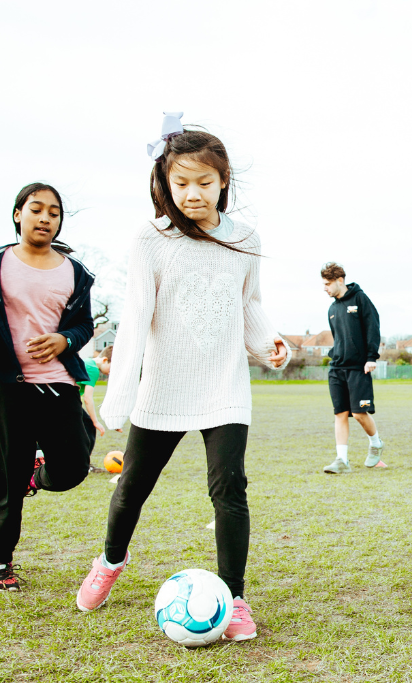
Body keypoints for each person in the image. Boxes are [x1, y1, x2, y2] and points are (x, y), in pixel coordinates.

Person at [75, 113, 289, 643]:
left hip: (225, 386)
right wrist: (119, 398)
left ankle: (235, 599)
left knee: (230, 490)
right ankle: (109, 561)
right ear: (166, 184)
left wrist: (269, 345)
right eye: (181, 183)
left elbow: (249, 305)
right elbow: (134, 322)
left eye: (205, 182)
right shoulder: (151, 239)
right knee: (132, 488)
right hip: (165, 388)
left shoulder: (246, 239)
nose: (193, 193)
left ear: (223, 182)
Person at [0, 182, 96, 592]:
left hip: (58, 384)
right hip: (8, 387)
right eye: (36, 209)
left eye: (54, 212)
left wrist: (66, 340)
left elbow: (83, 325)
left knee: (74, 467)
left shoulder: (76, 273)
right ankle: (0, 563)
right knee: (7, 479)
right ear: (18, 214)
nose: (45, 218)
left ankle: (37, 476)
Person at [319, 262, 386, 474]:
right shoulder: (332, 309)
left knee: (359, 414)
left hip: (359, 367)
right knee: (340, 413)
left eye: (328, 283)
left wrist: (371, 357)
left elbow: (373, 327)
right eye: (323, 284)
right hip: (337, 367)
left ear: (340, 280)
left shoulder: (360, 299)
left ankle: (376, 443)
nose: (325, 288)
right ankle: (342, 460)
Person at [77, 345, 112, 471]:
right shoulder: (93, 368)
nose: (111, 371)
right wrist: (95, 421)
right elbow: (87, 398)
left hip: (63, 400)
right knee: (89, 426)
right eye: (111, 367)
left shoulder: (87, 362)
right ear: (104, 360)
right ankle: (83, 466)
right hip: (64, 401)